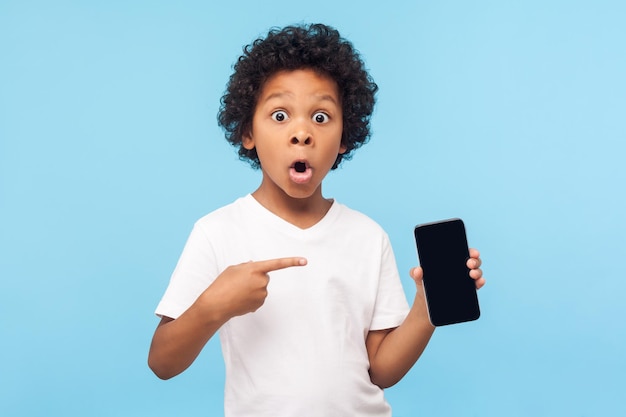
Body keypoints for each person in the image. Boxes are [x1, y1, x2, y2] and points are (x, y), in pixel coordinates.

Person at [148, 23, 485, 416]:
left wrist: (427, 307)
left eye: (321, 117)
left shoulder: (367, 236)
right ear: (247, 131)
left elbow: (381, 370)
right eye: (279, 115)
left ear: (344, 138)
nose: (302, 133)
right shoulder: (217, 232)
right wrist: (213, 306)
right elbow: (162, 363)